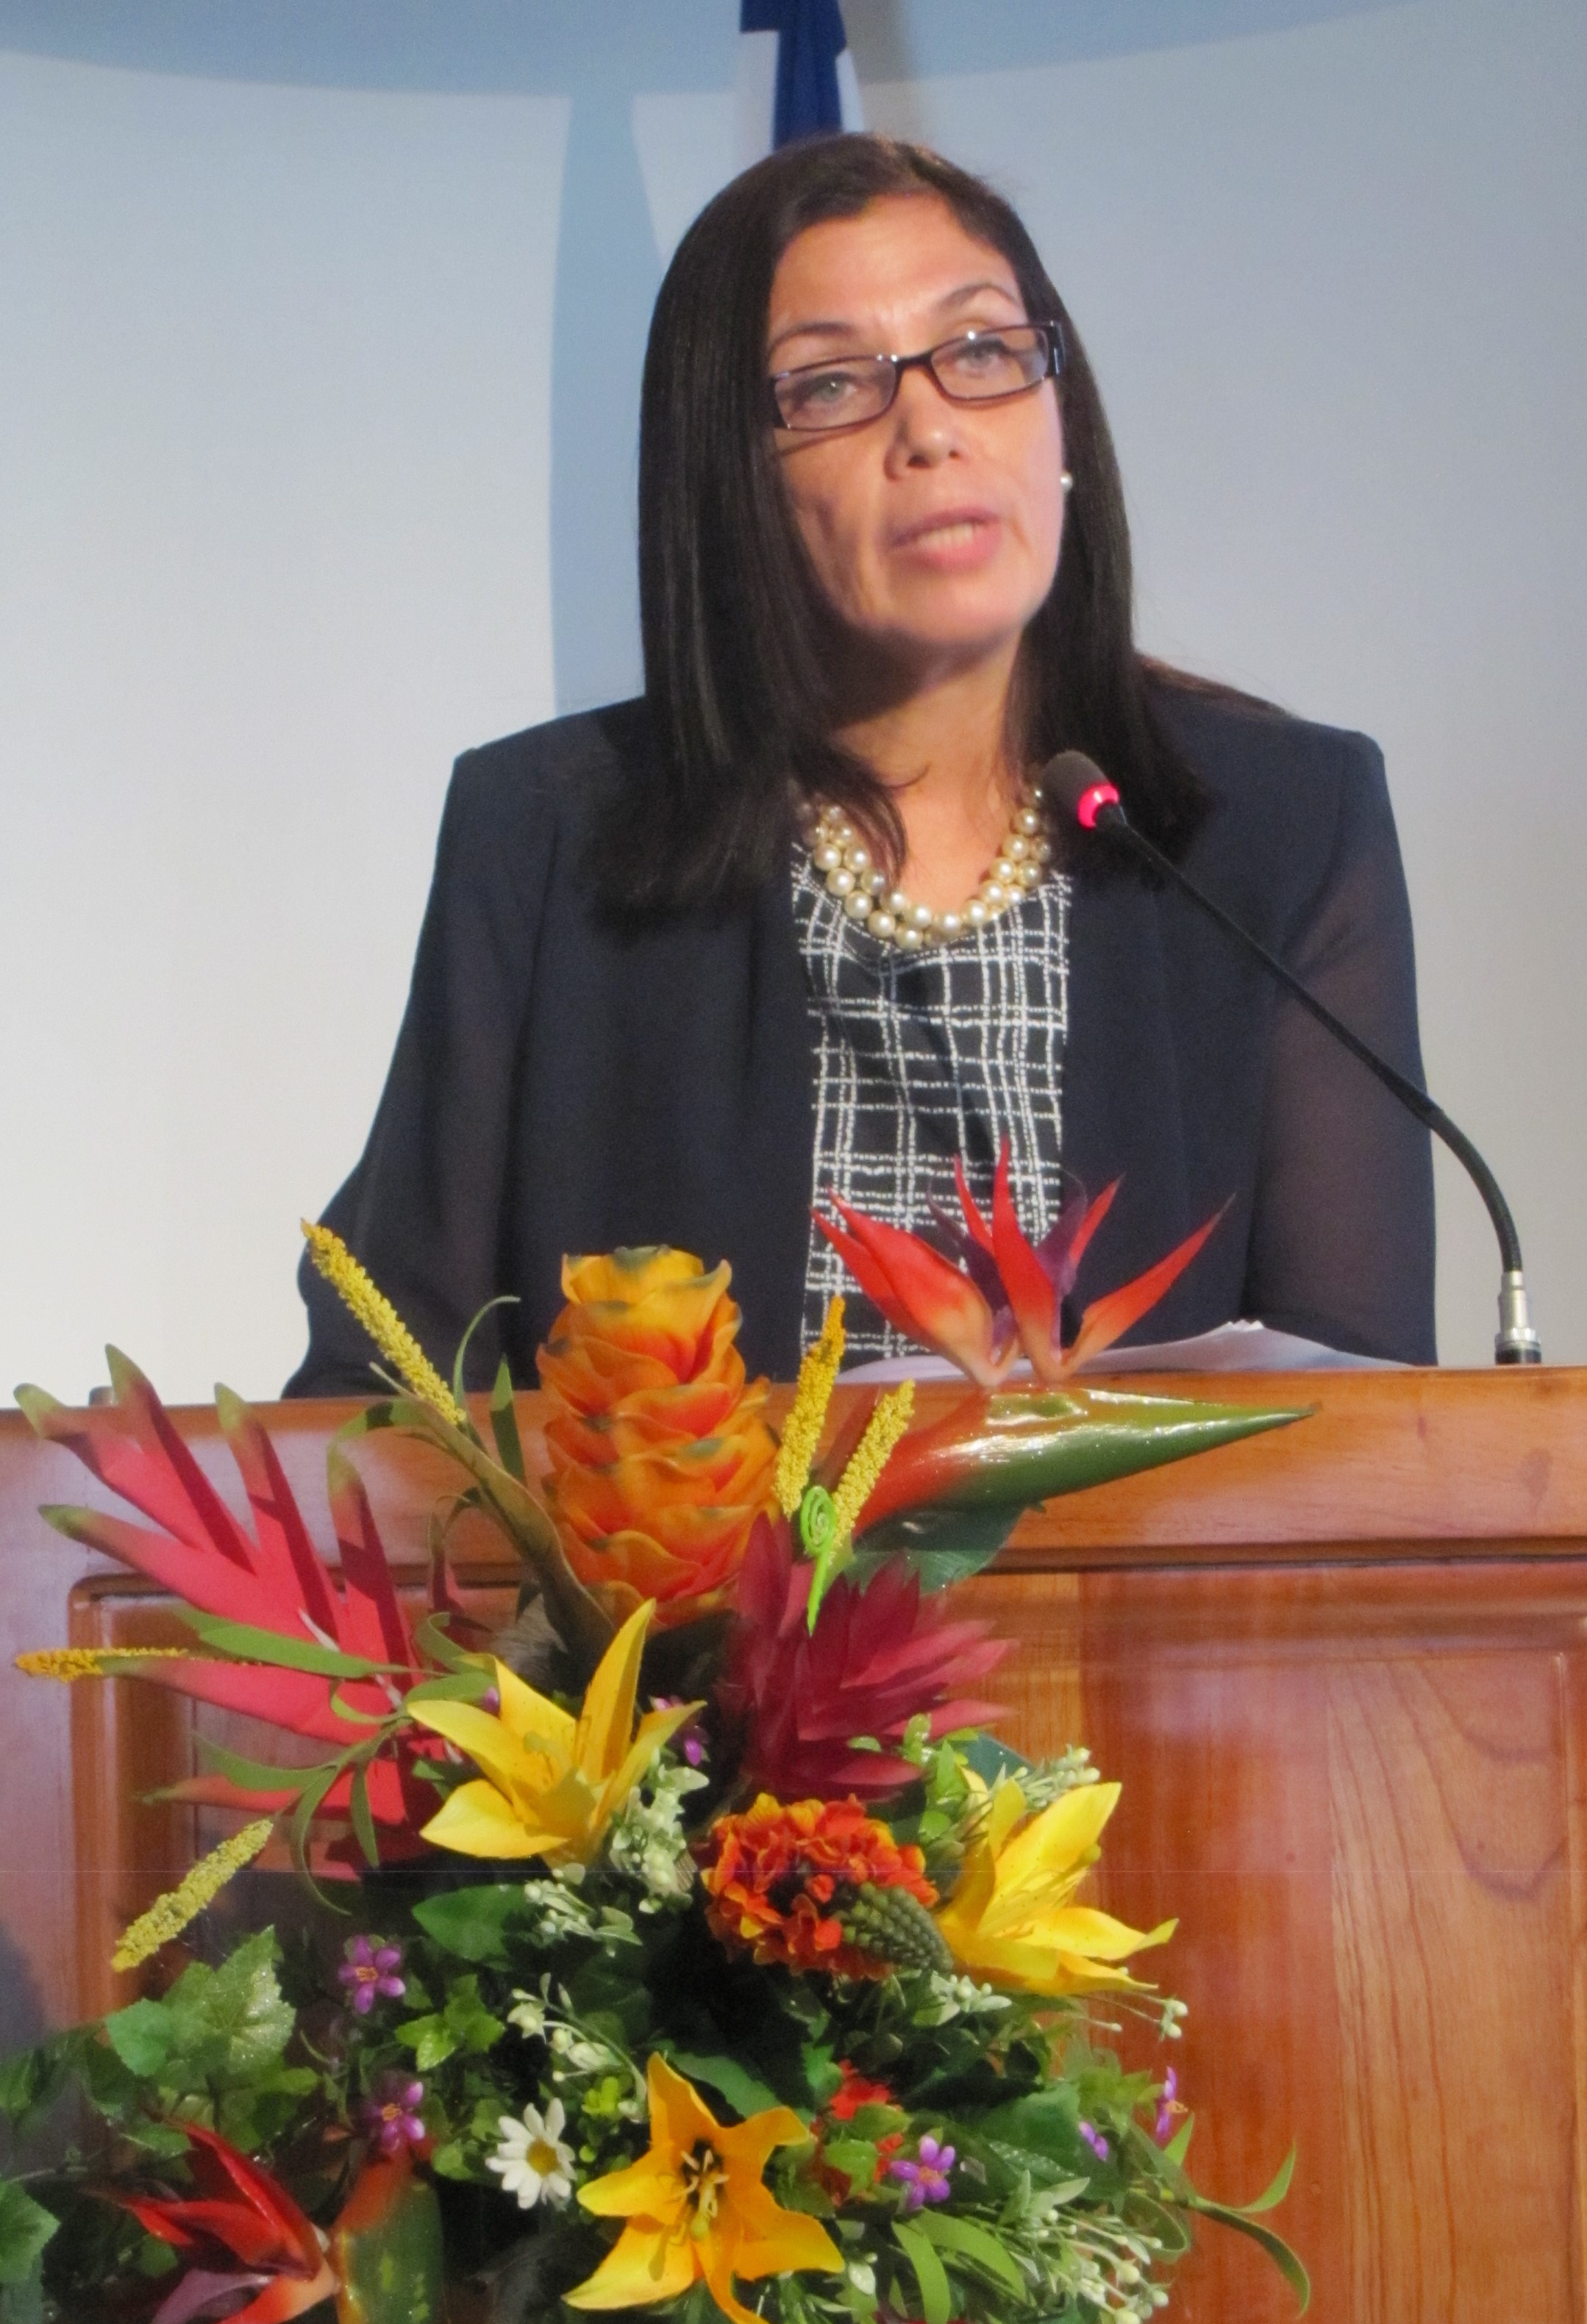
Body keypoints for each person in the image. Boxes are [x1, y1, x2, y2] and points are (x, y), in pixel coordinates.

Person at [289, 134, 1435, 1398]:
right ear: (731, 477)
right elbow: (378, 1405)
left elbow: (1374, 1426)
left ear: (1061, 420)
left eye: (982, 351)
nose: (930, 429)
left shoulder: (1283, 825)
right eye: (832, 384)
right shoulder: (549, 836)